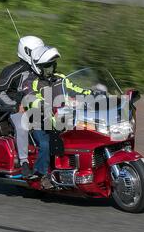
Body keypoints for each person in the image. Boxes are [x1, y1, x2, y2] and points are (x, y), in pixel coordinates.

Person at [22, 45, 96, 189]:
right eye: (48, 66)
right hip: (40, 121)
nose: (52, 69)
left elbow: (76, 89)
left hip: (62, 118)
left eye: (53, 65)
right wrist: (42, 105)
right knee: (45, 144)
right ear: (38, 67)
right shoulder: (31, 82)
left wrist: (91, 93)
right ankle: (41, 175)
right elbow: (30, 98)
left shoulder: (61, 78)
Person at [0, 36, 44, 177]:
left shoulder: (41, 70)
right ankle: (24, 163)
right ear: (27, 51)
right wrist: (16, 106)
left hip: (37, 107)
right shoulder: (12, 70)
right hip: (16, 109)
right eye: (37, 51)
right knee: (23, 125)